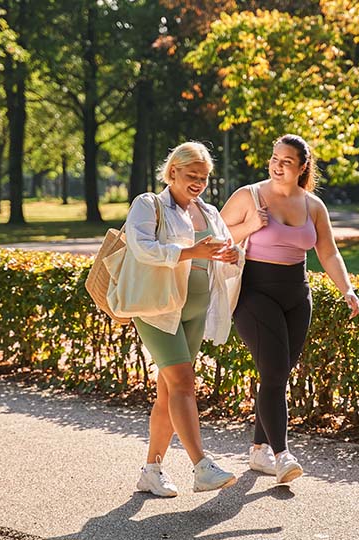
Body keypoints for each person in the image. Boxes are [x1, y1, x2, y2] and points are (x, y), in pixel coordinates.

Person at [220, 134, 359, 484]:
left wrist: (347, 288)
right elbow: (216, 235)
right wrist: (249, 226)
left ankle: (258, 451)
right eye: (274, 158)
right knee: (274, 372)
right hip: (254, 292)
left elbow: (329, 252)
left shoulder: (313, 205)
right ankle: (282, 455)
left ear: (302, 167)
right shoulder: (248, 196)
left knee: (277, 374)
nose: (277, 165)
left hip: (297, 296)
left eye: (286, 161)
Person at [127, 141, 244, 497]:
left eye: (204, 177)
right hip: (158, 309)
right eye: (191, 175)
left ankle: (152, 470)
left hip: (195, 309)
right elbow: (141, 245)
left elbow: (225, 250)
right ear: (172, 172)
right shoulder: (149, 204)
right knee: (182, 381)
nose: (198, 183)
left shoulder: (207, 211)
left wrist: (233, 253)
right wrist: (192, 251)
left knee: (168, 393)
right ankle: (201, 466)